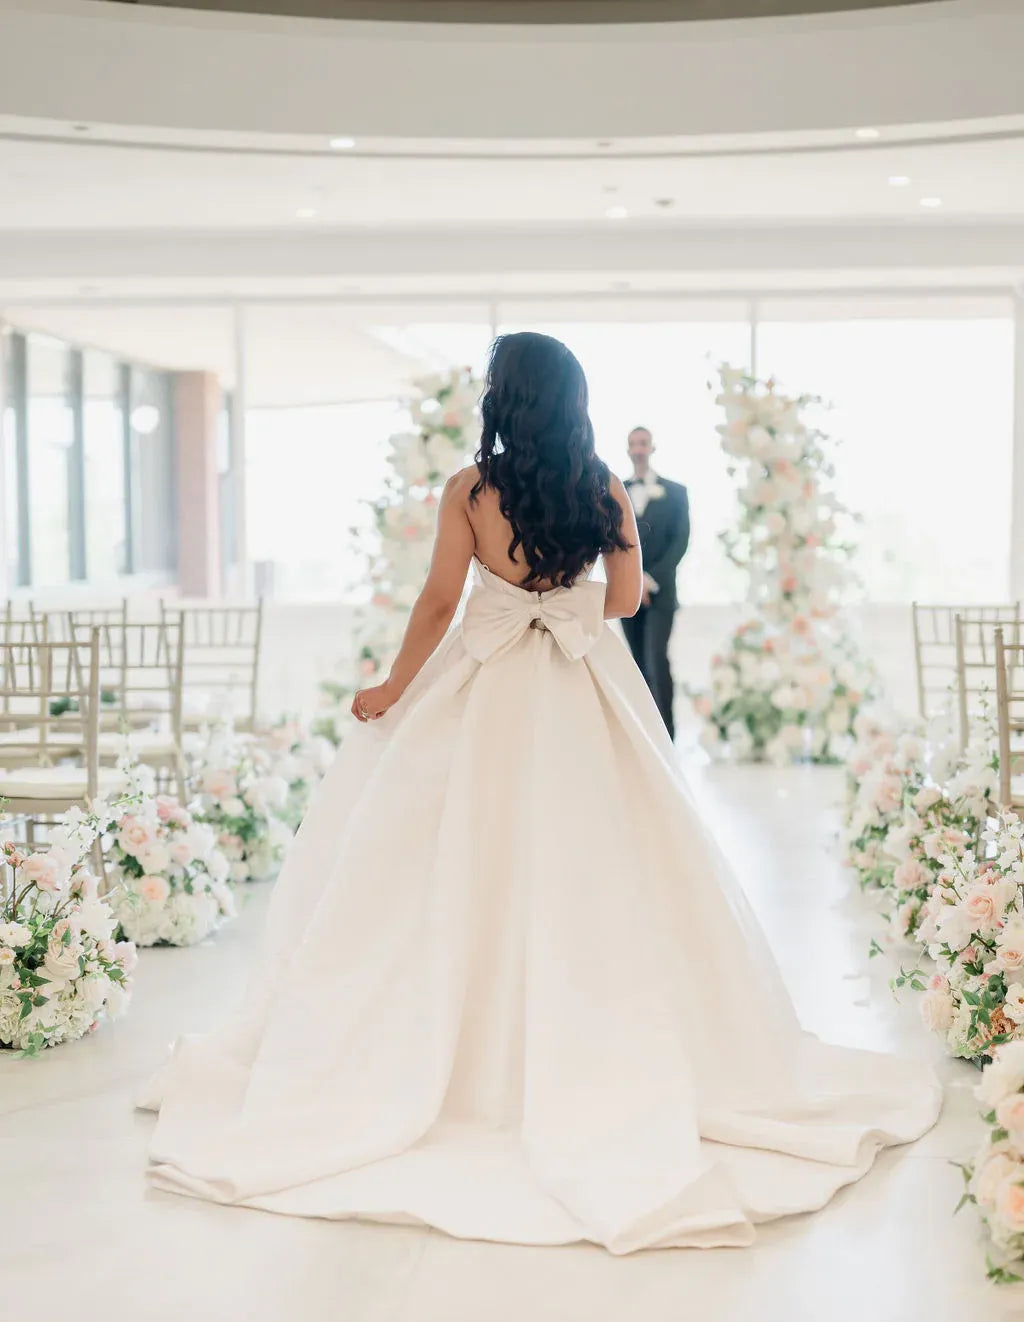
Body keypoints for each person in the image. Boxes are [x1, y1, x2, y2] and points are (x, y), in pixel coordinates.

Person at [140, 332, 939, 1255]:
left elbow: (440, 604)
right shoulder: (600, 484)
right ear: (573, 400)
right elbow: (631, 597)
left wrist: (398, 685)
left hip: (482, 686)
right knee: (597, 860)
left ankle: (448, 1062)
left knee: (453, 858)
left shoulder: (470, 491)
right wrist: (562, 610)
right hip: (580, 682)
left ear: (502, 398)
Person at [622, 426, 689, 738]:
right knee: (635, 667)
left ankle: (667, 736)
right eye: (633, 444)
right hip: (626, 594)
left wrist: (648, 581)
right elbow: (613, 541)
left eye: (643, 443)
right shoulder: (616, 491)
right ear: (628, 449)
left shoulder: (676, 492)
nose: (638, 449)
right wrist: (632, 582)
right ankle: (643, 737)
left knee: (656, 660)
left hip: (660, 594)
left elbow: (680, 543)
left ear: (652, 448)